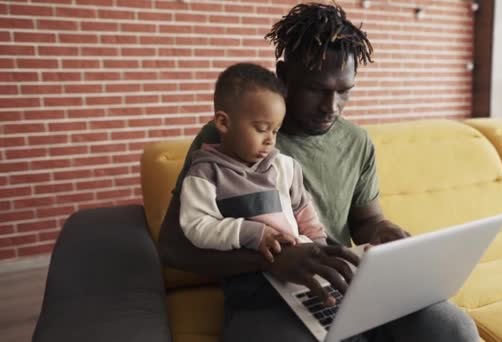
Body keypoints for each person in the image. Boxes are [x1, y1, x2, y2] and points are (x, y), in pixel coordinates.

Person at [159, 2, 479, 341]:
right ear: (283, 77)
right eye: (316, 89)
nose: (331, 107)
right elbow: (172, 247)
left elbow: (365, 221)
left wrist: (383, 232)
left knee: (452, 329)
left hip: (347, 282)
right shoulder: (230, 138)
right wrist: (270, 259)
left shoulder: (357, 141)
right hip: (264, 295)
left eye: (344, 91)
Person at [179, 63, 327, 264]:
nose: (270, 140)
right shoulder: (205, 173)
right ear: (223, 123)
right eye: (261, 128)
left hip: (301, 266)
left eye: (275, 131)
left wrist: (320, 249)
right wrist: (253, 234)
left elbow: (304, 213)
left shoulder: (285, 167)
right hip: (249, 277)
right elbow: (197, 225)